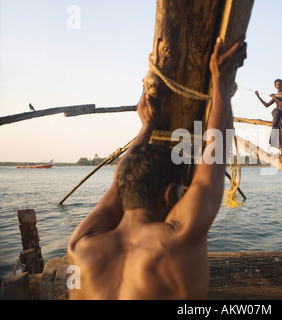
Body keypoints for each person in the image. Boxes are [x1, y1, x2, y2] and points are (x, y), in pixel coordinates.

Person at [67, 36, 247, 300]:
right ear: (168, 194)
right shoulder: (177, 239)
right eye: (178, 193)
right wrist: (220, 83)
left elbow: (121, 180)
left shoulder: (80, 245)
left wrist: (146, 127)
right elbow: (213, 160)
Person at [255, 79, 282, 162]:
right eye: (277, 84)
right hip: (277, 114)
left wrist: (276, 96)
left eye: (280, 84)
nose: (278, 86)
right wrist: (258, 96)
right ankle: (281, 153)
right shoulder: (275, 96)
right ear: (275, 86)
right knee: (277, 132)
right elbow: (266, 105)